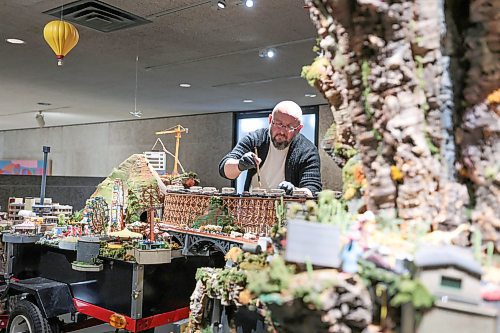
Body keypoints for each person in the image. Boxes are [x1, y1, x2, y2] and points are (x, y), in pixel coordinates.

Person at [219, 101, 322, 196]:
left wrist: (294, 190)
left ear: (298, 129)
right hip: (253, 209)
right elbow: (224, 169)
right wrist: (240, 165)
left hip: (287, 212)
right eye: (278, 124)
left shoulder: (307, 151)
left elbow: (313, 190)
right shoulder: (255, 139)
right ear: (270, 120)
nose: (281, 131)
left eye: (289, 127)